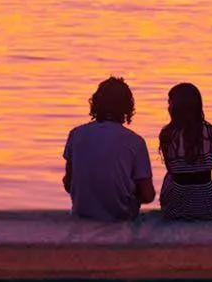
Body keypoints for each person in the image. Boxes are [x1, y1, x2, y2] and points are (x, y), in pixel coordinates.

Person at [62, 75, 154, 222]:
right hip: (123, 216)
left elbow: (68, 184)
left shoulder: (76, 135)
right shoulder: (135, 142)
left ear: (95, 103)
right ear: (127, 107)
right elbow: (148, 195)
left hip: (82, 214)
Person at [157, 82, 212, 221]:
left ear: (176, 106)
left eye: (169, 102)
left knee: (169, 177)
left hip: (176, 208)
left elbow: (172, 169)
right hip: (210, 206)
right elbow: (207, 165)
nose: (168, 107)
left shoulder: (168, 134)